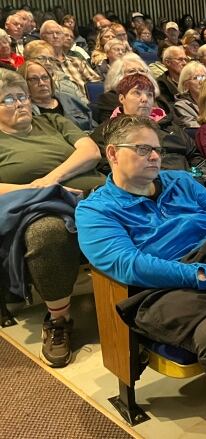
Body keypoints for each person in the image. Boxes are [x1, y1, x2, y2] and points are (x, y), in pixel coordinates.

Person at [76, 115, 206, 439]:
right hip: (164, 289)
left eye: (157, 149)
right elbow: (130, 265)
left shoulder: (181, 182)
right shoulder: (95, 210)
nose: (154, 156)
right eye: (142, 149)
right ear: (111, 153)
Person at [0, 69, 104, 368]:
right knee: (46, 233)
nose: (19, 103)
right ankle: (59, 319)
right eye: (8, 99)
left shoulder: (53, 121)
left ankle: (151, 296)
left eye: (21, 96)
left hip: (89, 193)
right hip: (34, 208)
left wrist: (52, 180)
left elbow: (90, 151)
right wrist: (42, 192)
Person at [18, 61, 94, 131]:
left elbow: (92, 124)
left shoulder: (69, 99)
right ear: (23, 83)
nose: (42, 83)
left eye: (45, 77)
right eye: (33, 79)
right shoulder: (25, 110)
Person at [173, 61, 206, 129]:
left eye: (203, 77)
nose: (201, 81)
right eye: (196, 78)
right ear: (186, 84)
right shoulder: (181, 106)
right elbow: (194, 130)